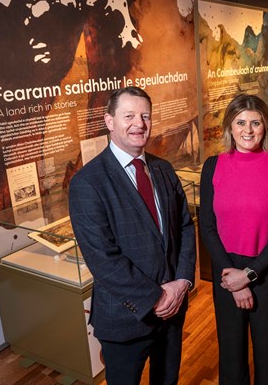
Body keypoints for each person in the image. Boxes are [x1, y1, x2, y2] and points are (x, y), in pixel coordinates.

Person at [69, 87, 196, 385]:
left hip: (172, 311)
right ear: (109, 121)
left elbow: (186, 227)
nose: (139, 123)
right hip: (126, 318)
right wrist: (156, 297)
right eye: (129, 116)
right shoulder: (88, 183)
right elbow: (103, 260)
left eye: (145, 116)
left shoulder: (163, 170)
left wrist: (182, 282)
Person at [200, 94, 268, 384]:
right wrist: (233, 277)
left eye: (255, 123)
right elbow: (207, 226)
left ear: (265, 126)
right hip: (227, 271)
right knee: (231, 358)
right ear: (230, 128)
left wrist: (249, 275)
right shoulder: (212, 166)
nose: (248, 130)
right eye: (240, 122)